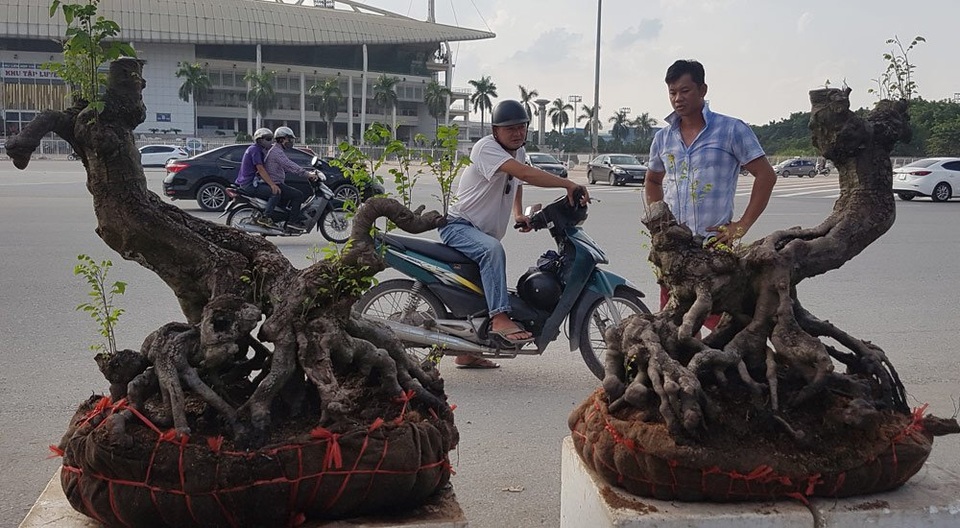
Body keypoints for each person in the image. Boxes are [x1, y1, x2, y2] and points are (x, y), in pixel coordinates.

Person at [439, 100, 590, 369]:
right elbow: (524, 174)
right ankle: (499, 317)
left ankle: (467, 351)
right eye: (510, 129)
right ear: (496, 130)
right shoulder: (486, 147)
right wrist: (567, 182)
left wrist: (519, 215)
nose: (517, 133)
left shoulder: (517, 152)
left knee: (480, 285)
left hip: (480, 231)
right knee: (492, 251)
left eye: (522, 127)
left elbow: (515, 182)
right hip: (459, 226)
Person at [644, 59, 777, 329]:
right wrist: (661, 226)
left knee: (725, 329)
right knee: (677, 330)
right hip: (675, 255)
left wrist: (740, 226)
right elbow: (653, 180)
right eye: (672, 92)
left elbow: (766, 176)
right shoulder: (663, 138)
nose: (677, 99)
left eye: (685, 90)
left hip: (712, 251)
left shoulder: (731, 130)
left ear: (702, 90)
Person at [263, 126, 316, 230]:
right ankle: (292, 222)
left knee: (289, 196)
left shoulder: (277, 150)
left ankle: (283, 220)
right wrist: (307, 174)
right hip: (276, 183)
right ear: (282, 139)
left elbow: (286, 166)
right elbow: (289, 165)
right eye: (289, 139)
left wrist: (306, 171)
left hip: (278, 181)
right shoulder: (276, 152)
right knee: (298, 195)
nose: (291, 141)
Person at [235, 127, 280, 227]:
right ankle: (266, 218)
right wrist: (272, 184)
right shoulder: (256, 150)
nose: (271, 141)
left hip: (245, 182)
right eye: (268, 139)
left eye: (271, 139)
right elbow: (260, 169)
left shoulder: (254, 149)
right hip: (249, 184)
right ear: (260, 140)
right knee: (275, 192)